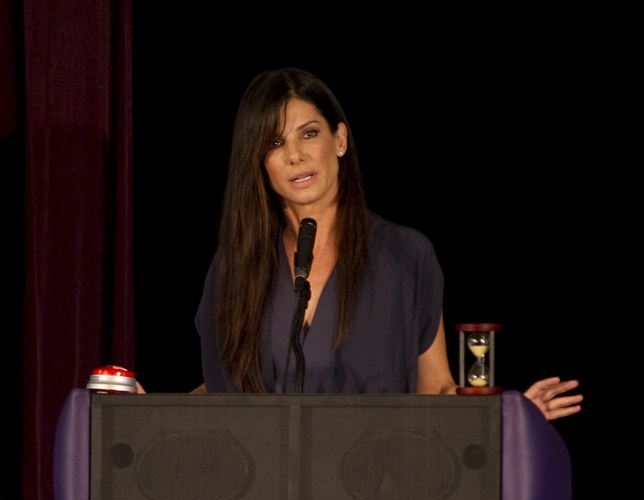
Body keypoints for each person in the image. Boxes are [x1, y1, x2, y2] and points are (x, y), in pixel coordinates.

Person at [184, 67, 582, 421]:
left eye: (309, 133)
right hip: (262, 493)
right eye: (273, 143)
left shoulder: (405, 256)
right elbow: (221, 397)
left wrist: (505, 416)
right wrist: (147, 414)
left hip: (375, 488)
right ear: (257, 161)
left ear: (339, 139)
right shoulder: (233, 267)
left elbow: (437, 391)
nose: (294, 156)